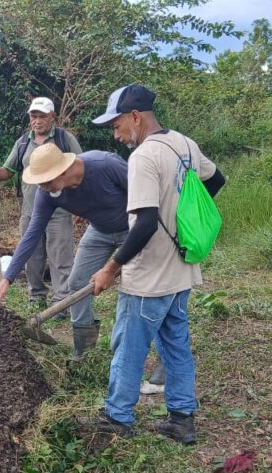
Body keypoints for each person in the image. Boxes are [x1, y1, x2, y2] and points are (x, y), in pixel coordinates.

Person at [86, 84, 226, 444]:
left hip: (149, 277)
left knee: (128, 347)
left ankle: (117, 418)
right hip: (180, 269)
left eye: (117, 126)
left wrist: (110, 268)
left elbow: (145, 223)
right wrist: (180, 215)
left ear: (135, 117)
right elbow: (216, 179)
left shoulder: (143, 158)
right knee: (175, 344)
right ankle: (182, 420)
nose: (116, 136)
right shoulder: (184, 143)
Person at [0, 143, 130, 360]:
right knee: (77, 282)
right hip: (99, 231)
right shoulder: (46, 194)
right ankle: (84, 352)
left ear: (62, 170)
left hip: (133, 228)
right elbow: (32, 234)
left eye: (46, 181)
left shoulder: (105, 164)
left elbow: (146, 193)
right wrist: (7, 279)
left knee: (136, 290)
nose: (43, 187)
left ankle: (129, 352)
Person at [0, 97, 80, 309]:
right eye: (33, 116)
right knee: (32, 257)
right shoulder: (23, 142)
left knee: (61, 257)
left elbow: (81, 168)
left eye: (42, 116)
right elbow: (7, 172)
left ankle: (62, 301)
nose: (37, 121)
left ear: (52, 117)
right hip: (30, 211)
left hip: (60, 211)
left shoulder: (64, 140)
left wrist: (80, 204)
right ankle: (36, 297)